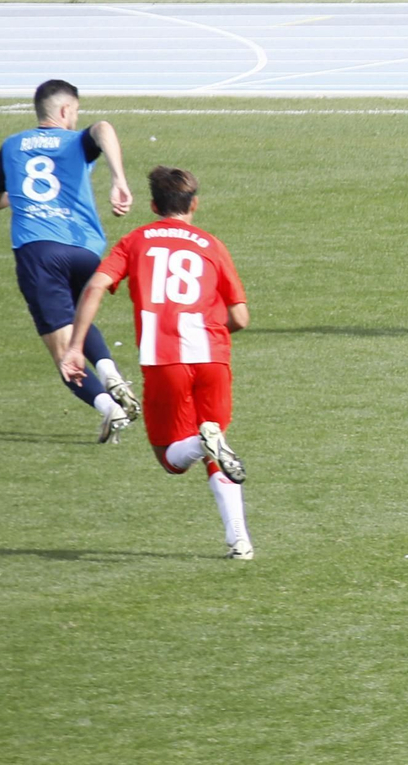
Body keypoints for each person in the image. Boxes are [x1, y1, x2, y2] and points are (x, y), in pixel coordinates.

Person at [64, 167, 255, 559]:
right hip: (212, 358)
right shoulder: (211, 245)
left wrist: (75, 345)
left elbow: (96, 285)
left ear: (153, 206)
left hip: (164, 359)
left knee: (171, 458)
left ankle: (204, 443)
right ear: (195, 204)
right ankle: (240, 542)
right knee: (216, 444)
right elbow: (240, 317)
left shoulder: (135, 241)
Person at [0, 78, 139, 442]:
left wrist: (25, 196)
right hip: (85, 249)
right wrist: (119, 179)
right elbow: (103, 128)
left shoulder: (11, 145)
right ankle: (110, 371)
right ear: (67, 110)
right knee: (78, 321)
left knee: (62, 353)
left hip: (38, 251)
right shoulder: (75, 144)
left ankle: (109, 409)